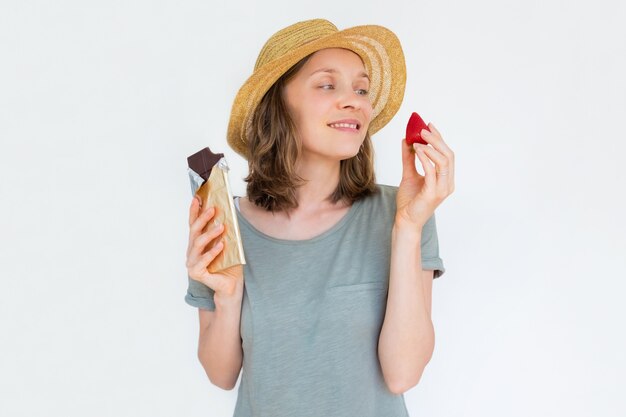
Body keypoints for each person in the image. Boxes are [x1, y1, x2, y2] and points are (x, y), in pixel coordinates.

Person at [184, 18, 455, 417]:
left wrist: (409, 229)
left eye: (361, 89)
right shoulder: (225, 222)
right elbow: (221, 374)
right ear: (278, 105)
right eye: (328, 85)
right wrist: (227, 296)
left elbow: (403, 374)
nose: (356, 101)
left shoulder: (400, 215)